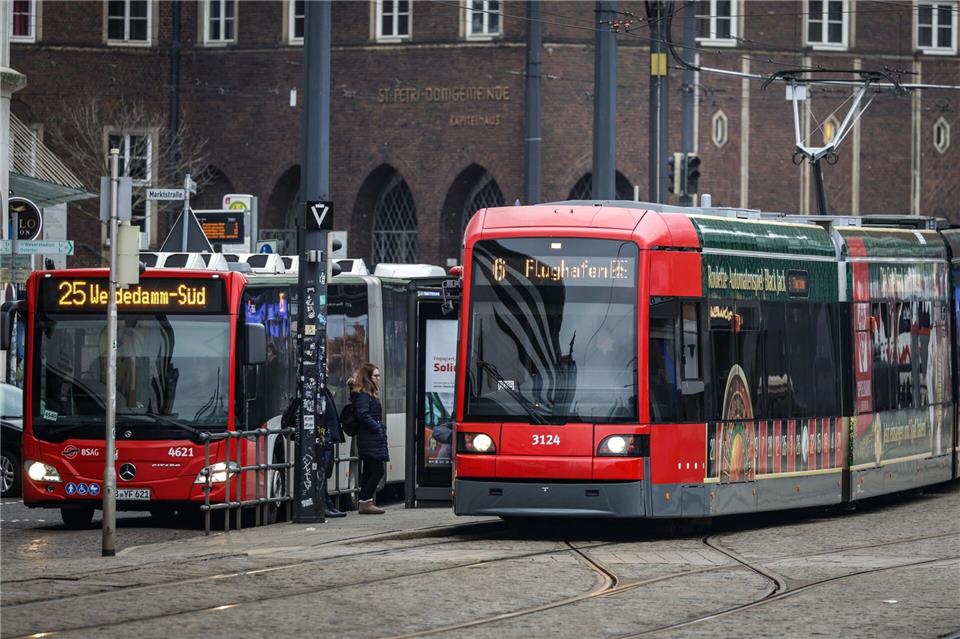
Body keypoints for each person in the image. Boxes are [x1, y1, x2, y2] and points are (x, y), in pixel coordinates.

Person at [353, 363, 388, 515]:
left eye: (378, 375)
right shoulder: (364, 395)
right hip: (369, 438)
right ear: (368, 377)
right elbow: (363, 414)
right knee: (377, 470)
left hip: (371, 438)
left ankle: (365, 502)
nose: (378, 378)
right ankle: (365, 501)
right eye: (375, 375)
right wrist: (377, 427)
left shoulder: (368, 393)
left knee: (368, 470)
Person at [321, 385, 346, 518]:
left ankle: (328, 504)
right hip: (323, 437)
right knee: (322, 472)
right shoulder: (318, 389)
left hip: (326, 437)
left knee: (324, 472)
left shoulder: (323, 388)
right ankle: (325, 505)